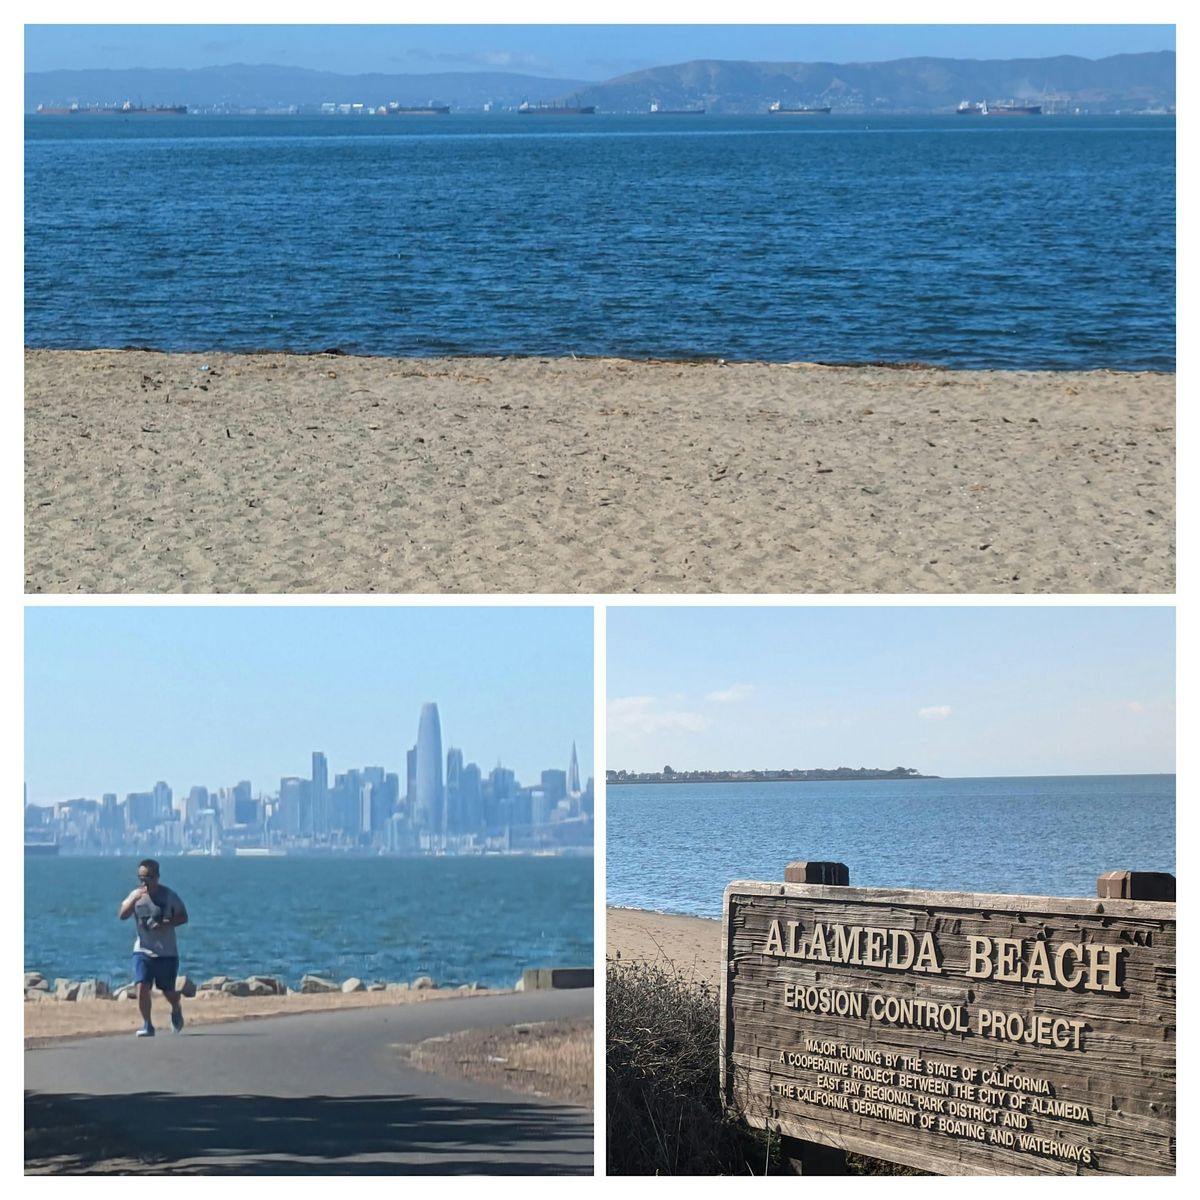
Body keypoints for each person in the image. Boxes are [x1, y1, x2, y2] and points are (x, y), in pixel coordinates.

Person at [118, 859, 189, 1037]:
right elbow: (122, 915)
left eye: (148, 878)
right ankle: (147, 1024)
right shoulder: (136, 895)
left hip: (167, 952)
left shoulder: (169, 896)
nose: (144, 883)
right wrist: (134, 899)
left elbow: (183, 916)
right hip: (143, 950)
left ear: (157, 876)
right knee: (142, 986)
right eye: (141, 878)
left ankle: (175, 1006)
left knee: (168, 991)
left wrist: (167, 924)